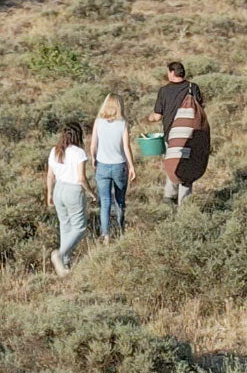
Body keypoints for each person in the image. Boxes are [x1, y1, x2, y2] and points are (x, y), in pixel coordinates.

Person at [147, 61, 204, 204]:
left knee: (172, 164)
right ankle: (184, 204)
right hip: (190, 136)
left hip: (171, 136)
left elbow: (157, 116)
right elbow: (200, 110)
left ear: (172, 73)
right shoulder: (193, 87)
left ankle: (169, 197)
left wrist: (149, 118)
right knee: (187, 167)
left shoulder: (164, 91)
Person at [45, 122, 97, 276]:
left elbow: (50, 175)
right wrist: (92, 193)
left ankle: (65, 264)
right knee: (79, 227)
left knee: (65, 226)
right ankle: (60, 255)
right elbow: (81, 178)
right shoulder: (79, 152)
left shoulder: (55, 150)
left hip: (58, 190)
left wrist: (49, 193)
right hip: (73, 191)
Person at [89, 93, 136, 242]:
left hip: (102, 165)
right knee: (120, 201)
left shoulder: (98, 121)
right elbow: (126, 146)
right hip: (119, 165)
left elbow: (93, 144)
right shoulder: (123, 123)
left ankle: (106, 234)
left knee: (105, 201)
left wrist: (93, 158)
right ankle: (121, 230)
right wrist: (132, 166)